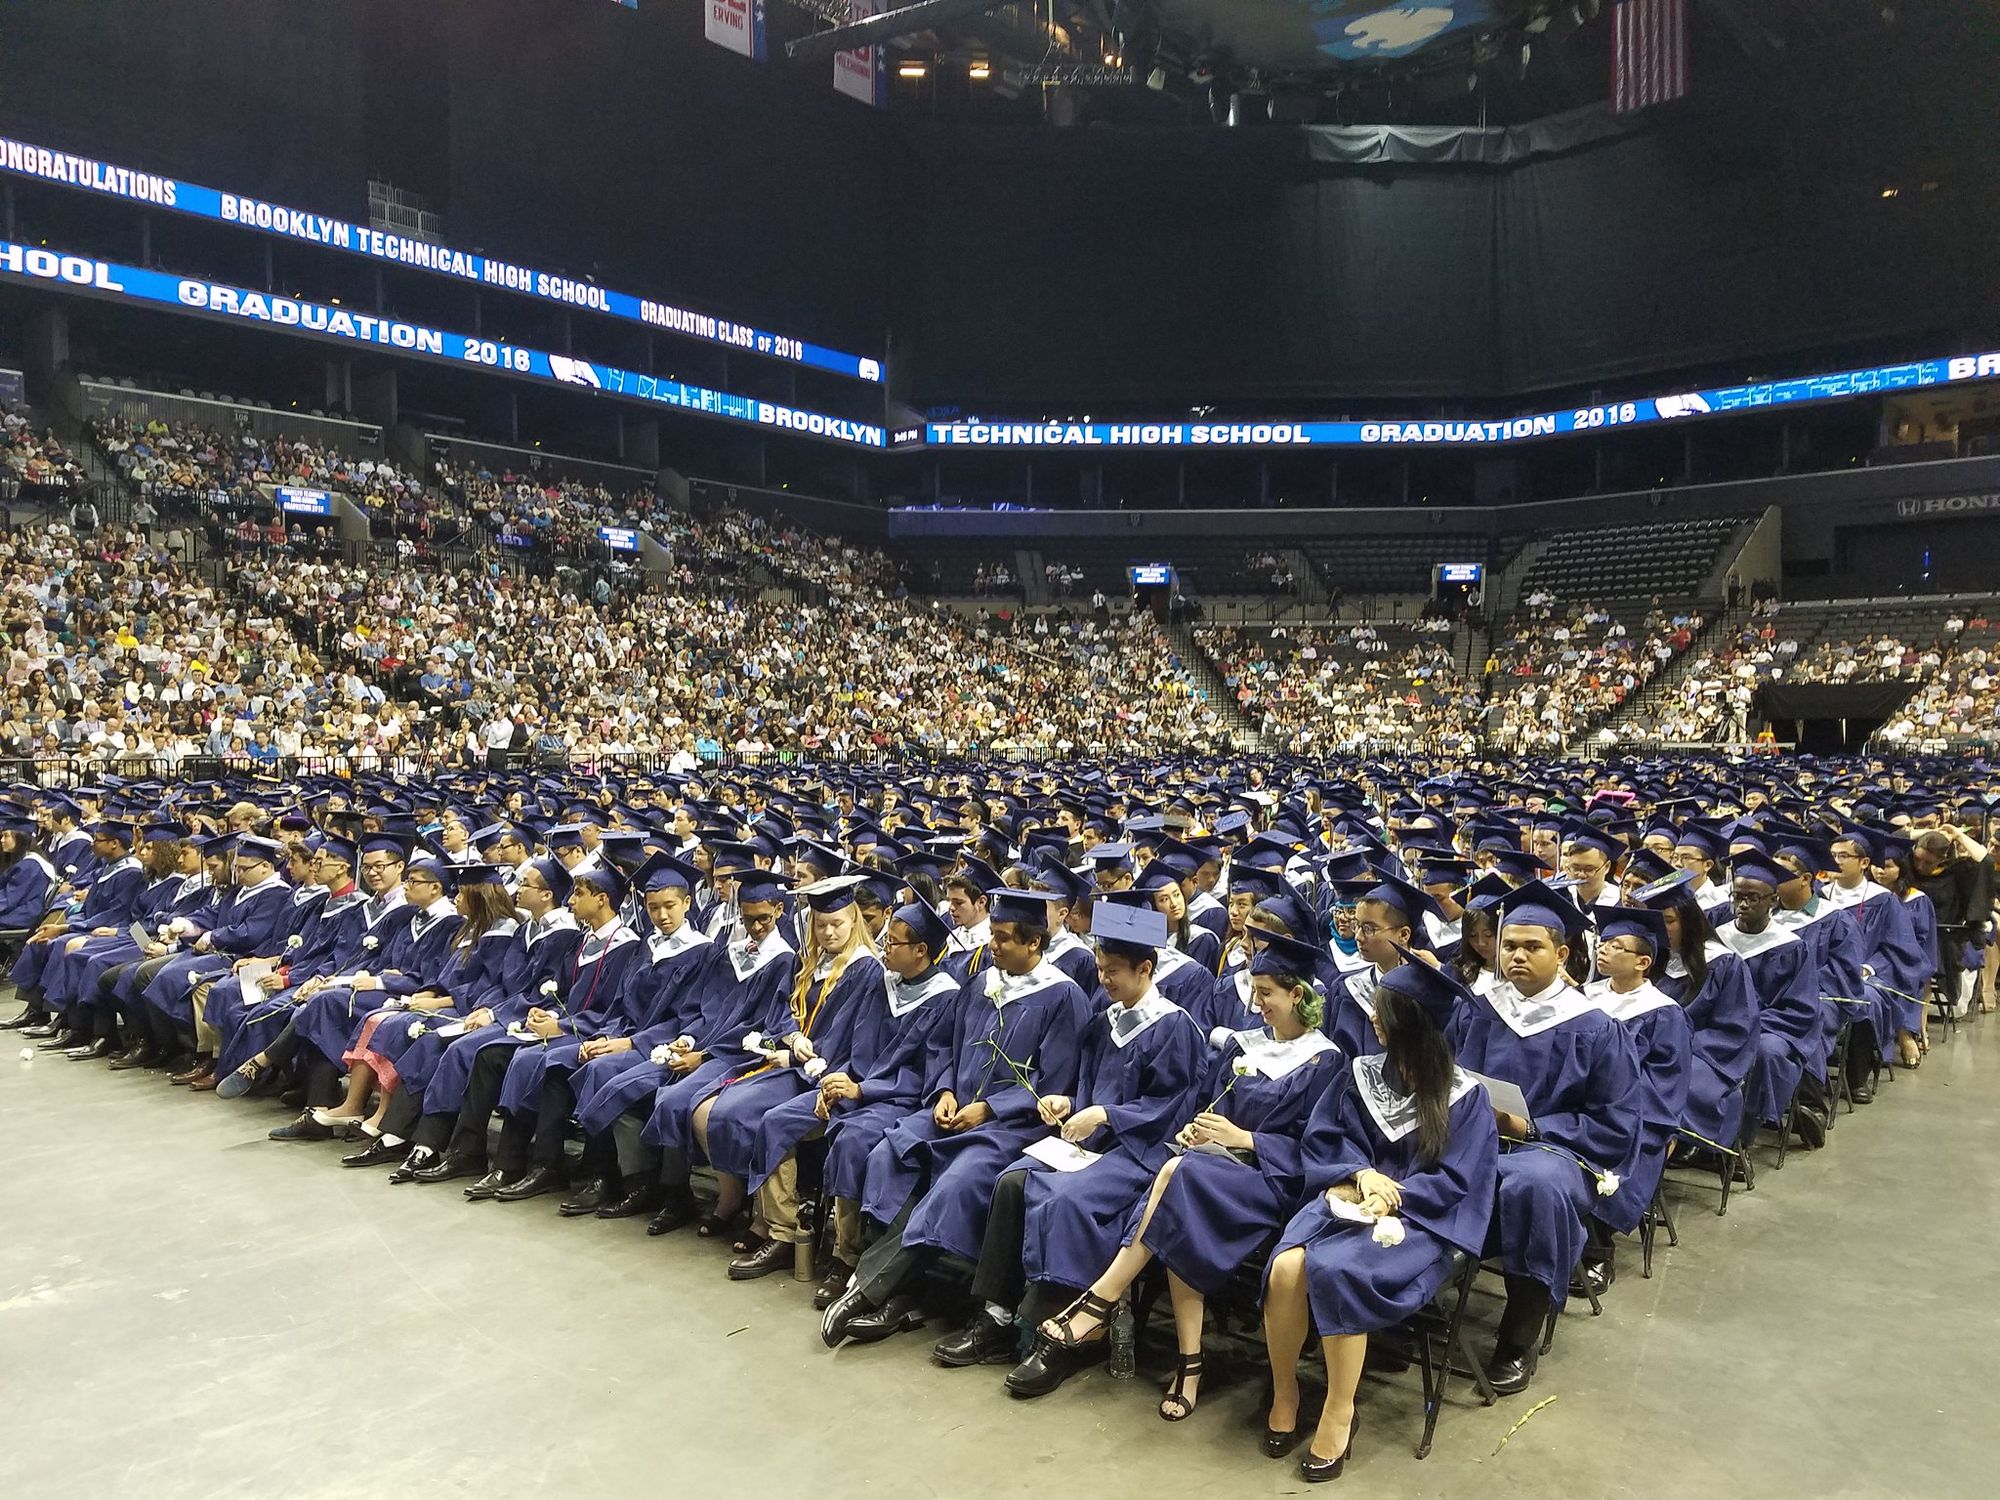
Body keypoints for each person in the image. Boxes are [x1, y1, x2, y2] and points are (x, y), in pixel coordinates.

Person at [1003, 926, 1339, 1414]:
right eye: (1255, 991)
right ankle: (1184, 1359)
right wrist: (1196, 1131)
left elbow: (1317, 1148)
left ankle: (1105, 1305)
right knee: (1181, 1183)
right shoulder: (1245, 1047)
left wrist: (1245, 1139)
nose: (1257, 1003)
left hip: (1270, 1181)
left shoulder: (1325, 1061)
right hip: (1210, 1172)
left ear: (1298, 994)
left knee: (1179, 1179)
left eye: (1266, 994)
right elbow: (1201, 1105)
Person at [929, 900, 1202, 1381]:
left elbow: (1171, 1107)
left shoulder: (1174, 1026)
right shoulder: (1105, 1020)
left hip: (1140, 1153)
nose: (1104, 980)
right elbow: (1083, 1086)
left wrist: (1107, 1114)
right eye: (1099, 968)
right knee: (1013, 1180)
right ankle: (994, 1315)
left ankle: (1057, 1335)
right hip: (1090, 1145)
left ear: (1146, 968)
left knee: (1063, 1200)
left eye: (1114, 971)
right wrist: (1067, 1102)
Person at [821, 889, 1091, 1349]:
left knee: (956, 1183)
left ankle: (871, 1290)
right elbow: (946, 1048)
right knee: (890, 1152)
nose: (994, 946)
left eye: (1005, 939)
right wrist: (945, 1090)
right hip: (951, 1112)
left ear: (1034, 944)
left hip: (1009, 1127)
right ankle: (907, 1290)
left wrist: (988, 1108)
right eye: (993, 936)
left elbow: (1056, 1082)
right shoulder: (981, 983)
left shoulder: (1064, 997)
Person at [1262, 957, 1499, 1480]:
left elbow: (1461, 1181)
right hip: (1345, 1196)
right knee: (1285, 1269)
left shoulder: (1466, 1097)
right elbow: (1325, 1137)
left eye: (1384, 1013)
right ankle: (1286, 1391)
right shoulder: (1361, 1075)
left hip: (1421, 1221)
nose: (1372, 1018)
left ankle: (1338, 1409)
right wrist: (1361, 1174)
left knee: (1338, 1270)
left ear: (1411, 1023)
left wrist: (1399, 1196)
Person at [1448, 880, 1641, 1394]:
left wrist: (1531, 1127)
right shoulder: (1482, 1009)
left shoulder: (1596, 1028)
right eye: (1509, 945)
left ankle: (1519, 1335)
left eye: (1532, 947)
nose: (1517, 956)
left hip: (1558, 1154)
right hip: (1477, 1139)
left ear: (1561, 953)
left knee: (1533, 1186)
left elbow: (1615, 1123)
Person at [747, 897, 961, 1307]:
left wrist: (863, 1091)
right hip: (852, 1087)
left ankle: (846, 1257)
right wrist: (834, 1081)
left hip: (897, 1102)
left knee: (849, 1142)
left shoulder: (945, 997)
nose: (884, 946)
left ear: (921, 951)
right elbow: (856, 1045)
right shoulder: (884, 983)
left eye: (894, 942)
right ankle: (783, 1233)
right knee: (775, 1120)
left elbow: (927, 1074)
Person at [1581, 906, 1690, 1286]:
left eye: (1616, 946)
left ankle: (1597, 1253)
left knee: (1598, 1153)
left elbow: (1664, 1085)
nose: (1604, 950)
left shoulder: (1663, 1013)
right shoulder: (1584, 998)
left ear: (1643, 962)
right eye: (1603, 942)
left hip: (1633, 1119)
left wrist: (1607, 1104)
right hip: (1577, 1108)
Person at [1712, 854, 1826, 1147]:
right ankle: (1698, 1132)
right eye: (1737, 896)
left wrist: (1749, 1024)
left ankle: (1739, 1140)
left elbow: (1798, 1009)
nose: (1743, 904)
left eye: (1753, 898)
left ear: (1772, 901)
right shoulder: (1716, 938)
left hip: (1771, 1027)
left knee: (1765, 1053)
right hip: (1720, 1022)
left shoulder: (1790, 947)